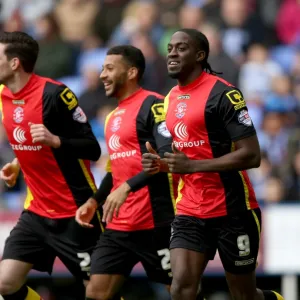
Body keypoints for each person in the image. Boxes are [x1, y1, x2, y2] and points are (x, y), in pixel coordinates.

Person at [142, 29, 285, 300]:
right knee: (181, 288)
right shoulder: (170, 98)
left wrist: (192, 166)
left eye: (181, 48)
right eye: (170, 47)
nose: (172, 52)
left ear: (200, 55)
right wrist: (164, 165)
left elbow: (252, 156)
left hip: (233, 208)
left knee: (243, 295)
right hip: (190, 209)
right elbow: (185, 153)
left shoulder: (225, 94)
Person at [75, 45, 205, 300]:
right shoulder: (112, 116)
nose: (102, 75)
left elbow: (166, 156)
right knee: (96, 294)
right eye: (102, 69)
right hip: (119, 225)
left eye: (110, 68)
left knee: (183, 294)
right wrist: (94, 200)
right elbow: (117, 170)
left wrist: (127, 188)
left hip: (156, 223)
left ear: (132, 72)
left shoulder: (154, 105)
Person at [0, 31, 102, 300]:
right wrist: (16, 163)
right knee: (5, 283)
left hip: (76, 211)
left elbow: (92, 147)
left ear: (14, 63)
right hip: (36, 211)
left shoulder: (55, 94)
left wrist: (56, 140)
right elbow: (28, 141)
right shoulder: (3, 95)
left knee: (99, 292)